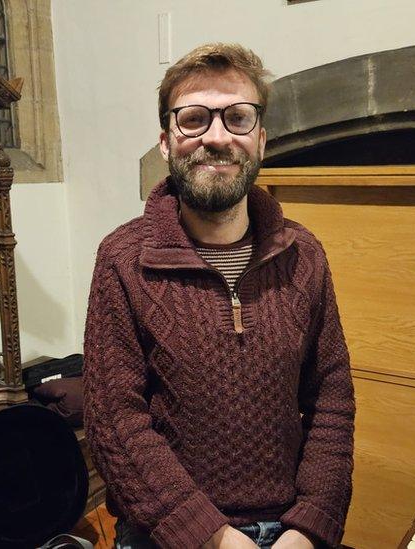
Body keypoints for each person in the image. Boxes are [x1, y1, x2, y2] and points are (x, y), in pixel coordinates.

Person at [83, 43, 355, 549]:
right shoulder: (123, 259)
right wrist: (212, 537)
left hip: (292, 528)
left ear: (261, 139)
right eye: (194, 119)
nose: (217, 136)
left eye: (237, 117)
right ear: (166, 142)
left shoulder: (305, 254)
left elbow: (332, 399)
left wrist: (312, 524)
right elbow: (115, 420)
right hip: (168, 534)